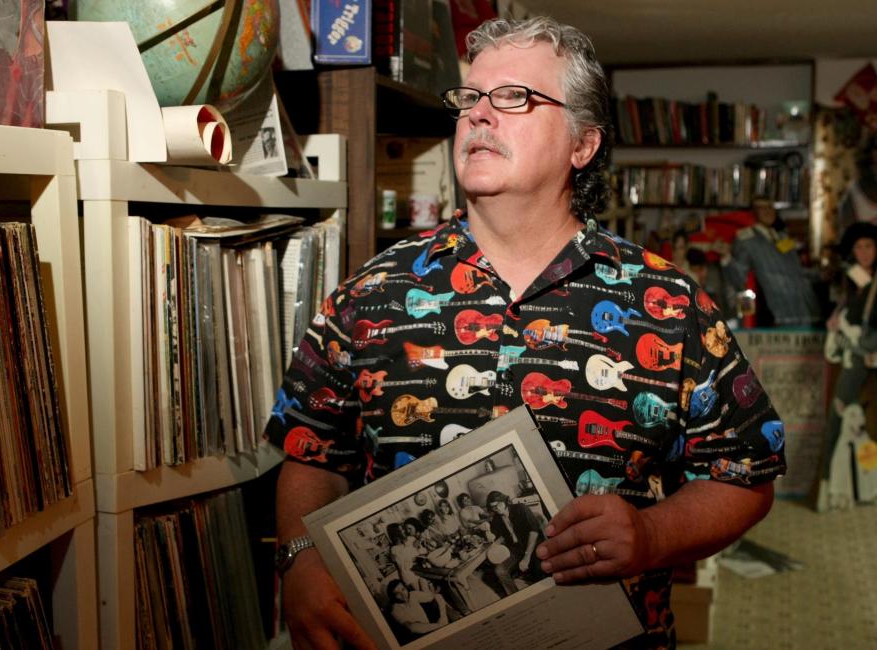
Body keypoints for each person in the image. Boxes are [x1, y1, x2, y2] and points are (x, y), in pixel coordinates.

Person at [268, 16, 783, 649]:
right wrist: (299, 557)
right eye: (470, 98)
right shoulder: (370, 293)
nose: (480, 115)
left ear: (582, 145)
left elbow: (745, 475)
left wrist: (652, 537)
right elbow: (312, 451)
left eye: (514, 97)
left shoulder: (670, 305)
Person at [816, 221, 877, 511]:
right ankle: (829, 488)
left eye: (870, 246)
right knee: (838, 420)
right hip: (853, 359)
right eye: (859, 247)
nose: (865, 252)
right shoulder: (847, 280)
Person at [718, 195, 820, 326]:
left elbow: (798, 271)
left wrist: (820, 274)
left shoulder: (783, 237)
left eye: (770, 207)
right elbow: (738, 279)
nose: (768, 211)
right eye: (762, 208)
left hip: (804, 308)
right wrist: (726, 258)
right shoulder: (747, 240)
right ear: (753, 213)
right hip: (776, 312)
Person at [484, 489, 546, 595]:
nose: (497, 509)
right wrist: (489, 534)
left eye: (498, 505)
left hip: (532, 545)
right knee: (500, 571)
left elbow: (534, 533)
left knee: (539, 571)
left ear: (504, 501)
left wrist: (526, 557)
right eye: (493, 507)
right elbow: (497, 536)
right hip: (516, 549)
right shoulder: (497, 518)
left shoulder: (520, 508)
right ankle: (515, 596)